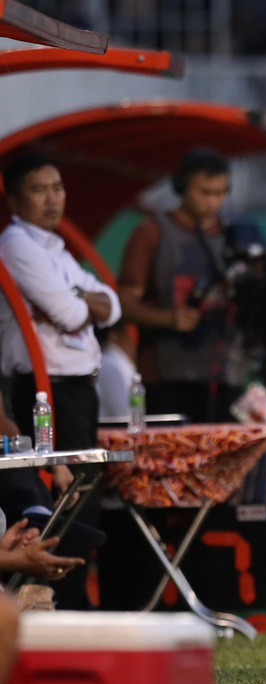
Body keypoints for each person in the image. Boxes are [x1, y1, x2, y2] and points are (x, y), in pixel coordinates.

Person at [0, 152, 121, 609]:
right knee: (60, 498)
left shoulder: (55, 247)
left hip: (77, 388)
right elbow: (73, 312)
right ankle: (60, 604)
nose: (53, 199)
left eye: (58, 187)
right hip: (44, 389)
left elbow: (112, 305)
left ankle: (74, 602)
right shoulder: (17, 245)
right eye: (39, 189)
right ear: (14, 199)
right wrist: (83, 302)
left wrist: (81, 300)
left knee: (81, 499)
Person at [117, 148, 248, 425]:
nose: (213, 202)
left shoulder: (234, 238)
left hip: (225, 377)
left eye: (220, 193)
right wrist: (168, 319)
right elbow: (123, 303)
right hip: (167, 381)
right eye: (204, 192)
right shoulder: (152, 233)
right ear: (181, 188)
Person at [95, 322, 138, 419]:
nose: (132, 342)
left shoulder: (116, 363)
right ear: (114, 335)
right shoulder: (109, 365)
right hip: (107, 430)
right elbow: (123, 414)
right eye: (128, 334)